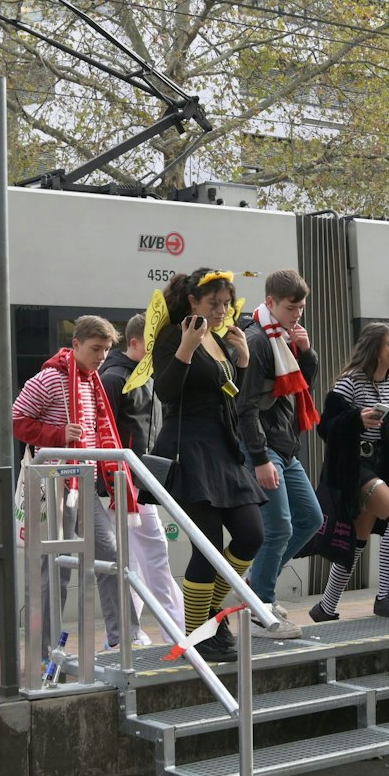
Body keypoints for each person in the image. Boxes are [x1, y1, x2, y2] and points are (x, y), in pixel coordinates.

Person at [136, 269, 263, 663]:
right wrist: (185, 350)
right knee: (206, 546)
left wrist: (243, 362)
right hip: (188, 448)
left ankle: (209, 613)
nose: (222, 311)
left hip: (223, 448)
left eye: (226, 303)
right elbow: (166, 392)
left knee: (251, 534)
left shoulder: (220, 339)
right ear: (193, 302)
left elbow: (230, 396)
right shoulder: (173, 335)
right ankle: (199, 634)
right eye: (214, 303)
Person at [12, 315, 143, 651]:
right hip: (55, 484)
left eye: (107, 349)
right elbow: (16, 420)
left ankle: (123, 639)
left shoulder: (90, 379)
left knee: (109, 555)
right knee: (55, 568)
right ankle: (44, 652)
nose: (102, 356)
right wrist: (57, 435)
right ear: (76, 344)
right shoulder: (49, 378)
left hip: (82, 483)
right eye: (96, 349)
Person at [311, 323, 389, 622]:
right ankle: (385, 595)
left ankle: (325, 607)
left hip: (382, 466)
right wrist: (356, 420)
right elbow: (326, 428)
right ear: (375, 349)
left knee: (357, 541)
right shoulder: (350, 382)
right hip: (353, 466)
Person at [235, 271, 324, 637]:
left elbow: (300, 388)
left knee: (311, 519)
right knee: (279, 527)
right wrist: (258, 458)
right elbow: (245, 407)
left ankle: (257, 581)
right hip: (264, 447)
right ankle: (261, 609)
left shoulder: (283, 337)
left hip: (284, 446)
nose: (297, 315)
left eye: (301, 308)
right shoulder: (257, 341)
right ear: (270, 302)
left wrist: (307, 353)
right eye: (291, 308)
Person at [99, 314, 184, 628]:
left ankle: (130, 634)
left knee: (134, 558)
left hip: (136, 481)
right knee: (152, 551)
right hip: (123, 483)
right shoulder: (116, 379)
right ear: (135, 343)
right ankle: (175, 627)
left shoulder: (146, 376)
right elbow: (103, 433)